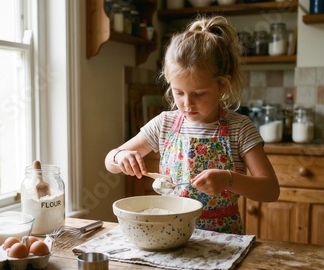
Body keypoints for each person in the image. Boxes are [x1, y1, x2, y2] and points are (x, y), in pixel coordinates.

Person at [104, 15, 280, 234]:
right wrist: (120, 157)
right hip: (169, 233)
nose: (187, 104)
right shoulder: (165, 124)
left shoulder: (239, 129)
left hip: (222, 239)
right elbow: (109, 162)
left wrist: (228, 179)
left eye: (199, 94)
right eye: (179, 93)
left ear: (222, 85)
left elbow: (271, 190)